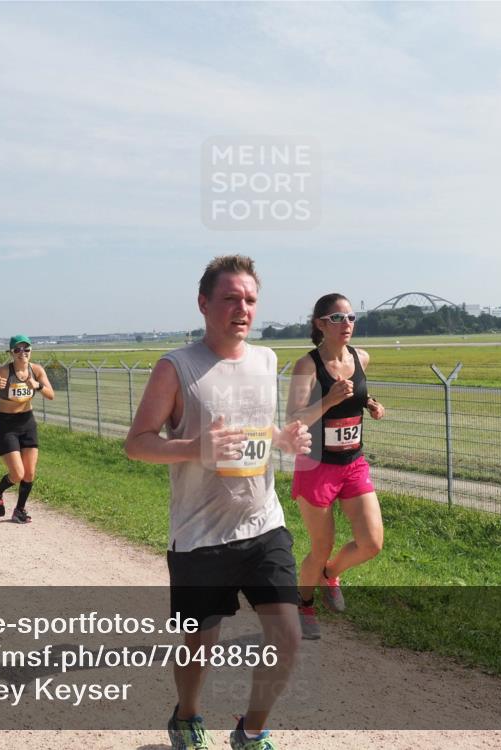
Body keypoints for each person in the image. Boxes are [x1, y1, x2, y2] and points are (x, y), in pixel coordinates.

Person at [125, 255, 311, 750]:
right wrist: (196, 448)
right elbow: (138, 443)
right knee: (199, 647)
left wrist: (283, 439)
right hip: (199, 536)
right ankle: (186, 716)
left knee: (287, 636)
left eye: (250, 299)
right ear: (204, 303)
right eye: (230, 298)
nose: (241, 308)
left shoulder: (266, 360)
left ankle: (251, 732)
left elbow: (257, 426)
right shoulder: (177, 367)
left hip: (263, 523)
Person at [284, 293, 386, 640]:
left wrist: (368, 403)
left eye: (352, 318)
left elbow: (355, 394)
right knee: (321, 545)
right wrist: (328, 400)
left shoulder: (362, 357)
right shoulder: (307, 366)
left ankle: (331, 574)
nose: (347, 325)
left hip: (353, 463)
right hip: (317, 467)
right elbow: (293, 419)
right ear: (320, 324)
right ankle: (305, 603)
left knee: (371, 543)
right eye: (338, 318)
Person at [0, 335, 54, 524]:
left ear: (31, 351)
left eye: (26, 349)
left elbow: (51, 395)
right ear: (11, 352)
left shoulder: (36, 370)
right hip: (6, 425)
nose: (23, 353)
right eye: (18, 350)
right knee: (17, 474)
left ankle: (19, 510)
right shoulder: (3, 372)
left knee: (30, 473)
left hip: (27, 422)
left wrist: (37, 385)